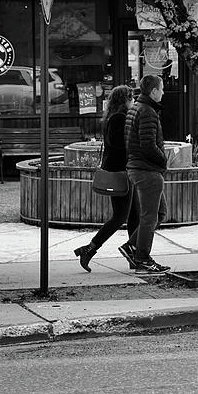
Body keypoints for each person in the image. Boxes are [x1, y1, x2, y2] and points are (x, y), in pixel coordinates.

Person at [74, 85, 141, 272]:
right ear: (125, 100)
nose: (133, 101)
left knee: (135, 215)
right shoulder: (119, 118)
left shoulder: (114, 117)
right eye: (131, 98)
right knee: (120, 216)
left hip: (124, 170)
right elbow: (116, 143)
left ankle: (134, 256)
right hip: (120, 172)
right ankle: (90, 249)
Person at [123, 74, 171, 273]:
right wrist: (164, 160)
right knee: (150, 216)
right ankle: (142, 257)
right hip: (146, 170)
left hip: (139, 167)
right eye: (161, 89)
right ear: (153, 91)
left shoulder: (136, 108)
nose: (163, 92)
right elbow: (148, 146)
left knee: (160, 213)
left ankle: (132, 246)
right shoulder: (148, 112)